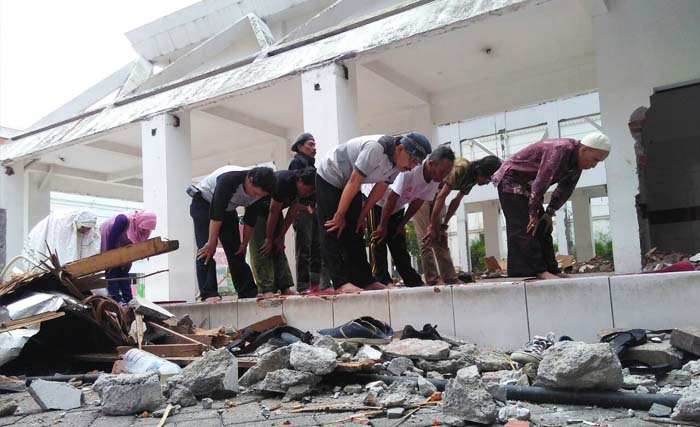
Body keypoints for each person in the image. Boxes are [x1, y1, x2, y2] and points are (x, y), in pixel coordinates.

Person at [316, 132, 432, 293]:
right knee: (333, 227)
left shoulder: (398, 165)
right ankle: (340, 282)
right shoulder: (376, 148)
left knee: (356, 230)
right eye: (412, 160)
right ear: (400, 148)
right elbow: (355, 180)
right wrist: (340, 214)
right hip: (331, 175)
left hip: (352, 183)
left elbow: (380, 187)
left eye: (417, 163)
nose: (412, 166)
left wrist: (362, 214)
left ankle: (364, 280)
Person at [492, 132, 610, 279]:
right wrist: (533, 213)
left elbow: (565, 189)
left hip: (528, 186)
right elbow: (542, 181)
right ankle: (539, 270)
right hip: (510, 180)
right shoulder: (560, 149)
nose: (593, 166)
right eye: (595, 160)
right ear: (584, 150)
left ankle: (551, 269)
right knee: (524, 226)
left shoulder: (576, 165)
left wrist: (549, 213)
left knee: (543, 226)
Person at [360, 146, 456, 287]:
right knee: (378, 240)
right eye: (442, 171)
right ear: (430, 164)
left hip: (397, 206)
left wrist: (402, 224)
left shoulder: (434, 180)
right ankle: (382, 279)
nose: (443, 176)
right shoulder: (410, 170)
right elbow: (391, 198)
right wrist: (382, 225)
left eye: (446, 173)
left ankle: (412, 280)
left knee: (399, 244)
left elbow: (417, 202)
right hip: (378, 201)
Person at [189, 166, 276, 302]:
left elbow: (250, 220)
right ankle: (209, 293)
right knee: (206, 250)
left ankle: (247, 291)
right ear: (250, 180)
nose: (255, 196)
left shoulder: (259, 192)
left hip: (228, 210)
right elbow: (216, 213)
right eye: (254, 192)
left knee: (237, 252)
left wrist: (244, 244)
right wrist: (212, 242)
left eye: (260, 195)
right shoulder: (229, 180)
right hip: (204, 204)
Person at [414, 155, 502, 286]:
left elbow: (456, 201)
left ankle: (449, 278)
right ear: (482, 170)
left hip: (436, 193)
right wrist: (432, 225)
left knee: (440, 238)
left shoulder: (472, 179)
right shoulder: (462, 168)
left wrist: (443, 226)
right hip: (422, 190)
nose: (487, 182)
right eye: (488, 178)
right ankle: (432, 279)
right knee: (426, 237)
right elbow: (442, 197)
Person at [249, 168, 316, 297]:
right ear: (300, 181)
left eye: (310, 192)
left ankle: (284, 286)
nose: (307, 194)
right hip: (257, 209)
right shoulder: (283, 181)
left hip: (275, 212)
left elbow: (292, 212)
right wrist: (268, 238)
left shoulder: (304, 192)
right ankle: (266, 288)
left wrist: (280, 236)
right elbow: (273, 211)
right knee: (262, 248)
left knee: (279, 247)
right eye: (307, 190)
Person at [288, 133, 329, 293]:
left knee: (316, 247)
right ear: (299, 146)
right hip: (303, 209)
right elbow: (297, 190)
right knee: (304, 248)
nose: (314, 148)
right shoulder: (296, 163)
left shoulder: (311, 165)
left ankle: (315, 284)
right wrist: (307, 205)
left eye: (314, 144)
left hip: (314, 208)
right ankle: (303, 286)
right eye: (310, 144)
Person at [99, 210, 157, 305]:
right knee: (112, 270)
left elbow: (137, 245)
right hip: (110, 241)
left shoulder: (145, 230)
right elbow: (111, 239)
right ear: (140, 222)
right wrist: (110, 259)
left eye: (146, 229)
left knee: (124, 270)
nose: (143, 231)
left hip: (124, 246)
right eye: (142, 227)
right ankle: (116, 299)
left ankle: (128, 300)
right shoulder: (123, 220)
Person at [23, 209, 101, 271]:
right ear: (77, 223)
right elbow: (60, 251)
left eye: (88, 229)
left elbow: (90, 252)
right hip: (37, 249)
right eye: (83, 228)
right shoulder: (61, 223)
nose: (85, 231)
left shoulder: (92, 231)